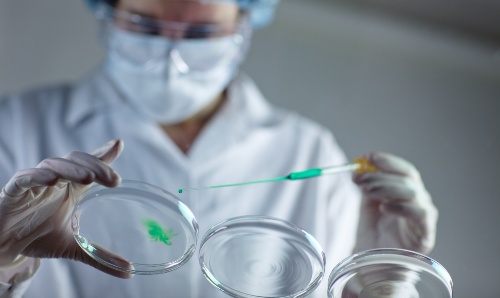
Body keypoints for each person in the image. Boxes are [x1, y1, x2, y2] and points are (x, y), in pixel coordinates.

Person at [0, 0, 438, 297]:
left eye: (203, 32)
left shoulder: (310, 152)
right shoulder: (17, 124)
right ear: (108, 12)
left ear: (243, 26)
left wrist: (380, 287)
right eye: (146, 26)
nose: (172, 52)